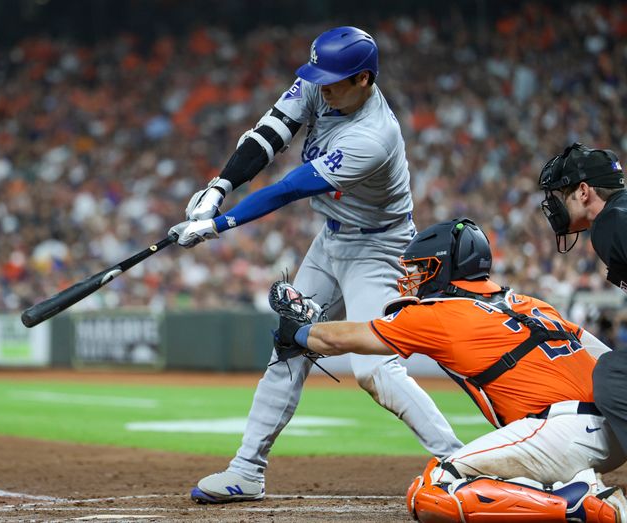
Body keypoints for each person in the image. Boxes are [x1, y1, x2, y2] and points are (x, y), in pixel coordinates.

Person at [170, 26, 463, 504]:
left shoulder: (375, 135)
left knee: (375, 371)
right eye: (319, 76)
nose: (322, 87)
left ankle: (460, 463)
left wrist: (219, 225)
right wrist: (219, 186)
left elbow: (290, 188)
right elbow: (269, 134)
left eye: (334, 80)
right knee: (287, 346)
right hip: (330, 242)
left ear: (365, 79)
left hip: (380, 250)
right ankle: (246, 471)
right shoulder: (322, 82)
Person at [273, 217, 626, 522]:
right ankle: (568, 485)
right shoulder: (533, 304)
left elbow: (347, 338)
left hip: (563, 432)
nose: (412, 279)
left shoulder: (438, 313)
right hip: (614, 425)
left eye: (421, 268)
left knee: (434, 490)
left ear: (443, 268)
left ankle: (577, 504)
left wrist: (301, 332)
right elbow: (606, 357)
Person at [538, 143, 627, 462]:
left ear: (584, 191)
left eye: (563, 194)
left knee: (612, 375)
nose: (557, 205)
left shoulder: (612, 222)